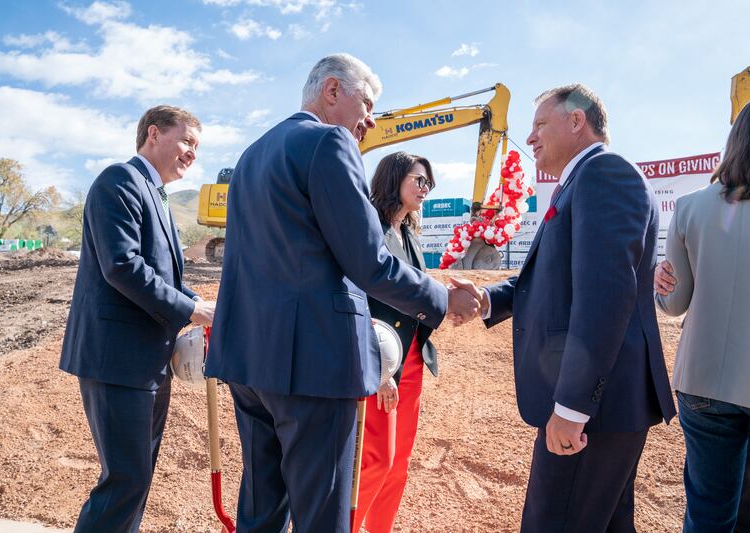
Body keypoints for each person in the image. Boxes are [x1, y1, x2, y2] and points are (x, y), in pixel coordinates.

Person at [204, 53, 480, 533]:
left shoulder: (252, 154)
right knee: (322, 516)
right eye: (367, 103)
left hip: (249, 359)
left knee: (261, 512)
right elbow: (368, 259)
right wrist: (441, 299)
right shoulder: (328, 141)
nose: (370, 119)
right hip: (311, 365)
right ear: (332, 91)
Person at [458, 84, 676, 532]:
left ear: (577, 121)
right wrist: (487, 299)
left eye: (540, 124)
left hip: (592, 411)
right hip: (606, 406)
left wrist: (573, 408)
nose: (531, 137)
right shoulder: (581, 181)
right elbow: (555, 279)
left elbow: (605, 297)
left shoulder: (603, 174)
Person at [59, 105, 216, 532]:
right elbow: (122, 266)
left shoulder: (158, 196)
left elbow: (163, 276)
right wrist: (190, 309)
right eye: (186, 141)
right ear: (153, 134)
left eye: (196, 147)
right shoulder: (120, 181)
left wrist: (199, 302)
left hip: (145, 361)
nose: (191, 154)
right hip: (116, 359)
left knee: (136, 478)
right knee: (125, 480)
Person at [653, 94, 750, 532]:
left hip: (704, 380)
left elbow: (674, 304)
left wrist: (660, 283)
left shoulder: (690, 208)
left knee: (708, 510)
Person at [350, 152, 439, 533]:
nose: (425, 188)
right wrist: (382, 371)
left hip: (414, 358)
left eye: (428, 183)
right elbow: (359, 296)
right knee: (375, 462)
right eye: (418, 179)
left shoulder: (407, 233)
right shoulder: (369, 225)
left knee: (399, 462)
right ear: (394, 179)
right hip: (381, 361)